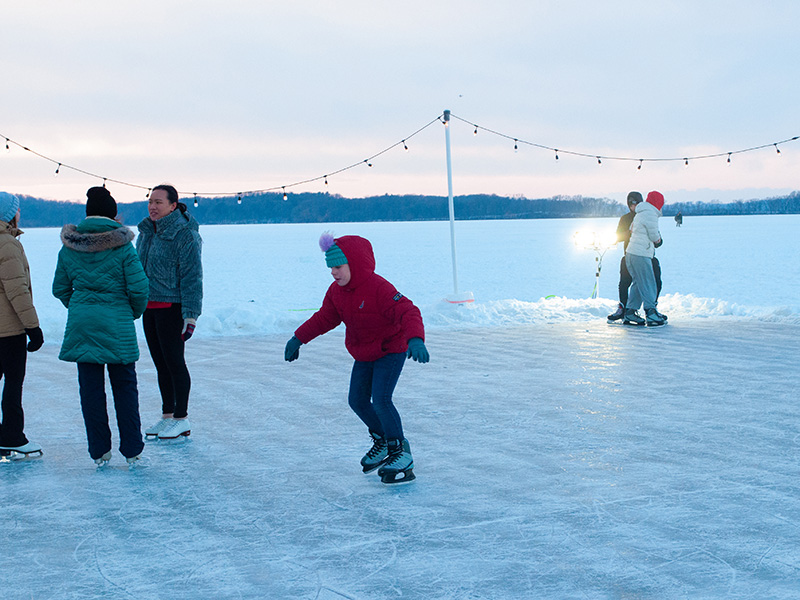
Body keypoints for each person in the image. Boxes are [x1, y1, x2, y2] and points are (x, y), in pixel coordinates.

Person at [284, 233, 429, 484]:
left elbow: (408, 311)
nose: (333, 272)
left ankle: (401, 452)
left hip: (390, 349)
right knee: (357, 400)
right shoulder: (336, 292)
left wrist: (415, 339)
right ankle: (383, 440)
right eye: (330, 267)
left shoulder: (379, 288)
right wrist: (299, 338)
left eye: (338, 267)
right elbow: (324, 318)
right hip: (364, 352)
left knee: (382, 400)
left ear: (355, 263)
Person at [53, 187, 149, 466]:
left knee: (90, 390)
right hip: (117, 322)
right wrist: (131, 311)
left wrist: (81, 306)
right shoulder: (122, 245)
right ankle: (132, 450)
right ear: (112, 214)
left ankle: (99, 451)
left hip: (83, 324)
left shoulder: (70, 245)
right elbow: (140, 288)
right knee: (125, 388)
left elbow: (60, 287)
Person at [136, 184, 203, 440]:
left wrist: (191, 314)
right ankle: (167, 416)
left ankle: (181, 418)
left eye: (159, 202)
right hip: (149, 307)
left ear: (173, 206)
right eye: (150, 201)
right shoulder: (146, 232)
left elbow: (192, 277)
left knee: (175, 362)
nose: (153, 206)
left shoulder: (185, 235)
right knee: (160, 364)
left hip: (172, 307)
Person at [0, 192, 44, 459]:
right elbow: (17, 291)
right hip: (8, 331)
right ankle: (13, 437)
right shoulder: (6, 244)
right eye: (17, 210)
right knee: (13, 383)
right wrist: (33, 328)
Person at [607, 191, 665, 322]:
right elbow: (654, 235)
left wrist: (657, 241)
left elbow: (655, 237)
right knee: (636, 283)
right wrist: (630, 233)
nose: (634, 205)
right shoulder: (639, 216)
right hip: (637, 254)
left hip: (641, 254)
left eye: (636, 202)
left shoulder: (642, 214)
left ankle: (636, 310)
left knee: (647, 282)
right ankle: (643, 311)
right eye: (631, 203)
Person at [624, 191, 666, 327]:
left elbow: (631, 229)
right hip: (640, 254)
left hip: (631, 253)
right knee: (648, 282)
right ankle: (651, 312)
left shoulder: (640, 213)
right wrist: (658, 240)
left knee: (638, 283)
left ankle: (630, 312)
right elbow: (654, 236)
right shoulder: (650, 214)